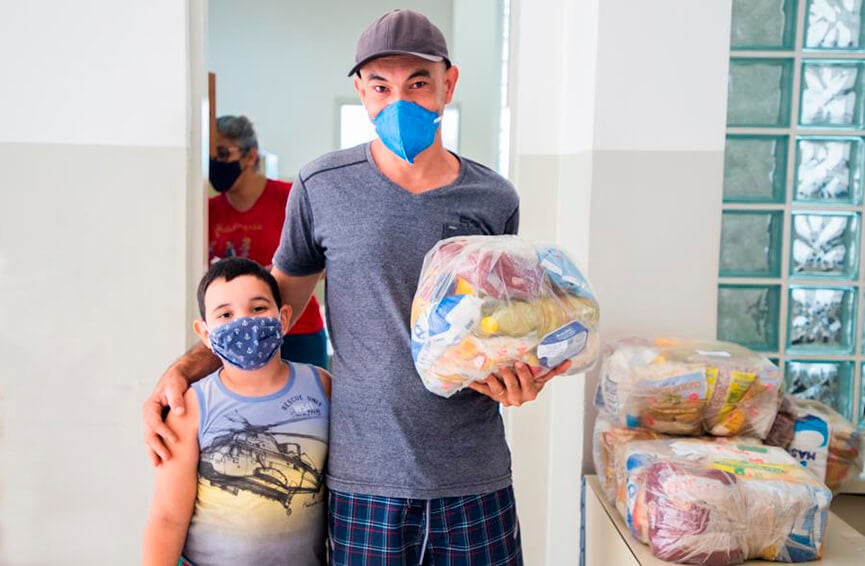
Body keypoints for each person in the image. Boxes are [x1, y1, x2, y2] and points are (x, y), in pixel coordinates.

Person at [143, 9, 571, 564]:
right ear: (360, 92)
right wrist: (183, 370)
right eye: (381, 85)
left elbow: (506, 326)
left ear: (449, 83)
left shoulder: (494, 198)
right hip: (364, 479)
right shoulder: (322, 186)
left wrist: (525, 377)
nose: (400, 100)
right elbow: (273, 308)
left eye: (418, 82)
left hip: (473, 472)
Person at [142, 257, 331, 565]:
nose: (244, 323)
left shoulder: (321, 386)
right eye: (225, 314)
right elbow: (167, 517)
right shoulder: (188, 407)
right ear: (204, 333)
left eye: (258, 309)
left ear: (283, 318)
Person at [208, 115, 328, 368]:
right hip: (235, 336)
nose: (215, 163)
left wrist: (273, 278)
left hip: (297, 331)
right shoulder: (207, 212)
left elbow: (326, 261)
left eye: (222, 153)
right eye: (210, 155)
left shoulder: (290, 198)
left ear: (250, 156)